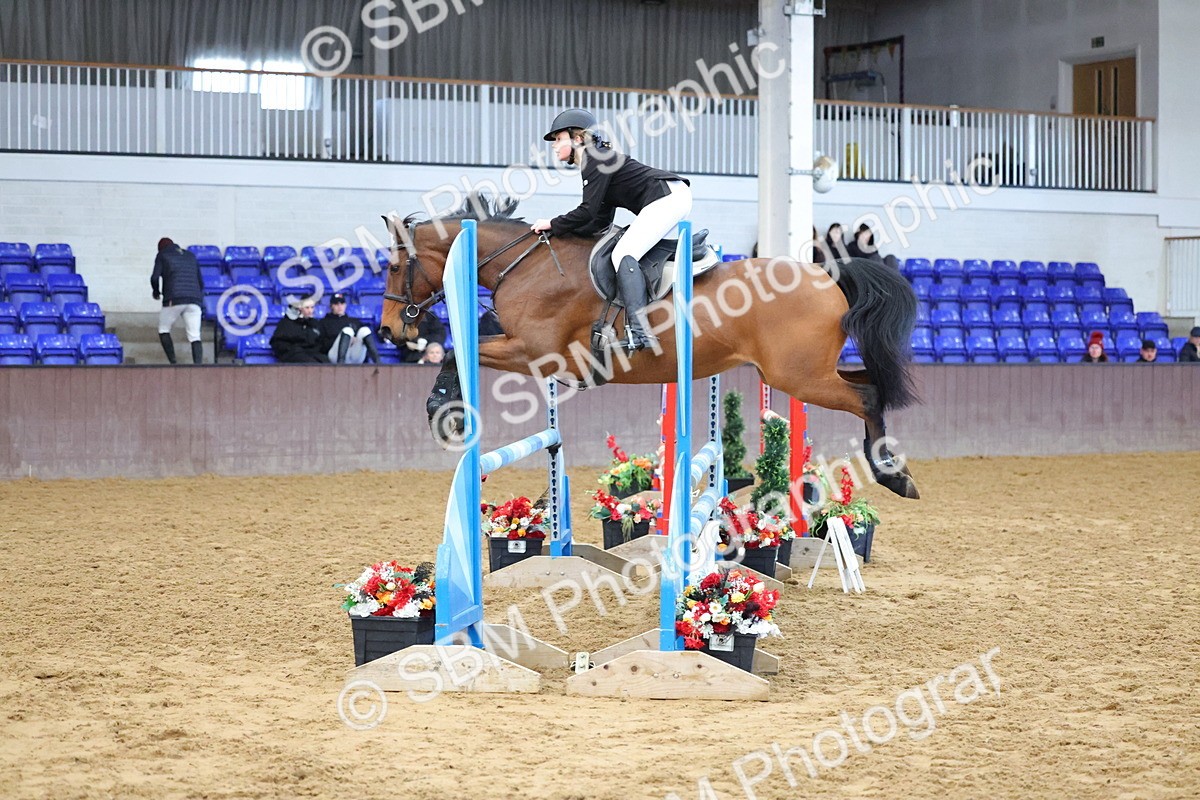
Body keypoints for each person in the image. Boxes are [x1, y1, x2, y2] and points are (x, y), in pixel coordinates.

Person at [531, 108, 691, 351]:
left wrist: (553, 224)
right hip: (670, 196)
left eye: (558, 138)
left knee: (622, 254)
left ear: (577, 138)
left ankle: (640, 331)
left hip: (668, 196)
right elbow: (598, 220)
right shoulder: (596, 159)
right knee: (623, 249)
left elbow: (587, 211)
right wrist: (563, 234)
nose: (553, 146)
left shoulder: (594, 158)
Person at [151, 237, 205, 364]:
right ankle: (198, 365)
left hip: (173, 298)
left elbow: (154, 278)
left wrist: (156, 291)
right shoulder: (190, 255)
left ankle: (173, 362)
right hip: (194, 299)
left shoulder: (162, 255)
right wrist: (196, 296)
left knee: (164, 329)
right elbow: (201, 282)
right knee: (195, 336)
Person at [318, 293, 379, 364]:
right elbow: (322, 346)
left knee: (365, 330)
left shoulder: (353, 321)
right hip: (335, 356)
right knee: (347, 330)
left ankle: (378, 363)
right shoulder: (324, 322)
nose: (339, 306)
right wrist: (344, 339)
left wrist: (354, 340)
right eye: (336, 304)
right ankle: (341, 365)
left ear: (345, 305)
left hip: (353, 355)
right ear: (331, 306)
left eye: (342, 303)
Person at [270, 297, 327, 363]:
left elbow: (320, 342)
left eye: (312, 307)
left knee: (326, 362)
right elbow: (277, 343)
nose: (310, 311)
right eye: (307, 307)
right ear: (300, 308)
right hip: (293, 354)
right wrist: (292, 349)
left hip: (311, 353)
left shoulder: (314, 323)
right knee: (311, 363)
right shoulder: (286, 323)